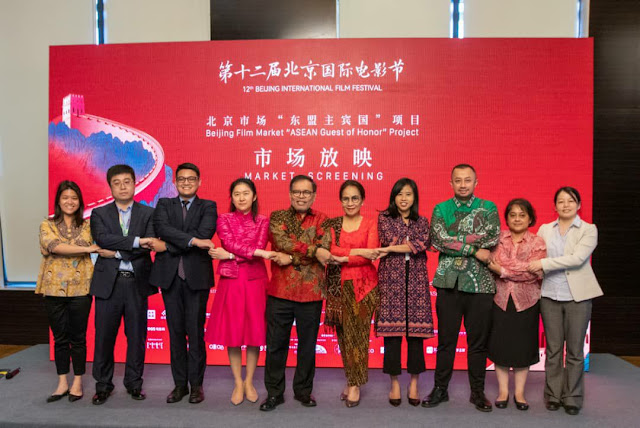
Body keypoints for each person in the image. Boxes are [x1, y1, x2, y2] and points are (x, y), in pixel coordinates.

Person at [423, 164, 500, 412]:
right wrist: (474, 250)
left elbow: (492, 237)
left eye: (468, 180)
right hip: (449, 283)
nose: (463, 184)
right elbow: (438, 241)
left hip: (480, 284)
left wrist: (454, 240)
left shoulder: (488, 208)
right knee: (446, 342)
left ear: (476, 183)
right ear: (451, 183)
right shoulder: (441, 208)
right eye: (458, 180)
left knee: (478, 343)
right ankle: (440, 389)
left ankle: (477, 392)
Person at [527, 186, 603, 416]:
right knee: (553, 349)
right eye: (561, 201)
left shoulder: (588, 229)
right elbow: (535, 255)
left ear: (578, 205)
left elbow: (577, 259)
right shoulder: (545, 229)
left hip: (577, 297)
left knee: (575, 351)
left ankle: (573, 397)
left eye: (570, 201)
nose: (566, 205)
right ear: (555, 206)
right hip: (550, 295)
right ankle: (553, 395)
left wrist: (543, 264)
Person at [259, 175, 332, 411]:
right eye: (297, 192)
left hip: (311, 293)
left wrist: (291, 258)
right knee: (275, 345)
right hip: (280, 291)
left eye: (306, 192)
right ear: (290, 194)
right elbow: (282, 242)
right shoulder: (278, 217)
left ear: (314, 196)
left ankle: (303, 391)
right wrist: (313, 251)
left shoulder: (323, 219)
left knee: (307, 346)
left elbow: (325, 249)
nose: (301, 196)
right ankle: (274, 393)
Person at [89, 164, 158, 405]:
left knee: (137, 337)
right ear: (110, 187)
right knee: (104, 337)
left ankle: (134, 383)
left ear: (134, 184)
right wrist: (137, 242)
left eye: (127, 182)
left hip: (137, 283)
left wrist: (116, 252)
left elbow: (149, 245)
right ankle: (103, 386)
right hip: (109, 284)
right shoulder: (99, 214)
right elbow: (102, 239)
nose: (122, 187)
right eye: (116, 183)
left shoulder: (148, 213)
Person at [149, 163, 217, 404]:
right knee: (175, 332)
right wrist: (193, 242)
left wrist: (168, 245)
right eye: (182, 179)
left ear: (199, 182)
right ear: (175, 182)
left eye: (191, 179)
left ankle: (196, 385)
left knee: (195, 333)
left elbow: (205, 233)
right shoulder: (164, 204)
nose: (186, 182)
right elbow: (162, 229)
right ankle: (179, 385)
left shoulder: (208, 206)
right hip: (170, 278)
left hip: (196, 278)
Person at [206, 178, 273, 405]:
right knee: (233, 333)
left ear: (254, 196)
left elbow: (259, 245)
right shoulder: (224, 219)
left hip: (255, 280)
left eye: (246, 193)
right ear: (232, 198)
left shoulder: (263, 221)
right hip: (232, 280)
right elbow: (230, 243)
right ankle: (237, 381)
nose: (241, 198)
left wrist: (230, 255)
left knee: (255, 333)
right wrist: (239, 254)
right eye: (236, 194)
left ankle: (249, 381)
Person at [36, 181, 101, 403]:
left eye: (74, 198)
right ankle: (62, 382)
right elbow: (54, 246)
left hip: (82, 288)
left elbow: (96, 243)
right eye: (65, 198)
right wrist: (87, 249)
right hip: (53, 289)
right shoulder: (47, 224)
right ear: (58, 201)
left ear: (80, 202)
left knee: (78, 337)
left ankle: (78, 382)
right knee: (60, 338)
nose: (70, 202)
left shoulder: (88, 225)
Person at [376, 178, 433, 407]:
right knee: (392, 336)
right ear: (394, 196)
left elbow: (423, 243)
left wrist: (392, 247)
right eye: (400, 194)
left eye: (408, 194)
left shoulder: (422, 221)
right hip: (391, 281)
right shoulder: (384, 218)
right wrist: (407, 243)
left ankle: (414, 383)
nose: (404, 198)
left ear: (414, 197)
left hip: (416, 281)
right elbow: (387, 239)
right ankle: (394, 384)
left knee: (416, 337)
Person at [486, 198, 546, 411]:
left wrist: (503, 270)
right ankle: (503, 392)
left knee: (523, 347)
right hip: (500, 299)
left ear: (530, 218)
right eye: (513, 215)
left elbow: (534, 272)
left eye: (522, 215)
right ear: (507, 218)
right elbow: (493, 262)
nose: (517, 219)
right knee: (500, 346)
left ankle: (519, 393)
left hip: (527, 301)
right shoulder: (498, 239)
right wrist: (521, 267)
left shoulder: (537, 242)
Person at [324, 180, 379, 408]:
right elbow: (330, 251)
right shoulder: (333, 224)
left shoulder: (370, 223)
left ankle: (356, 384)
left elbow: (371, 254)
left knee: (358, 337)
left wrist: (344, 256)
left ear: (362, 200)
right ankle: (350, 379)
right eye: (346, 198)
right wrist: (357, 251)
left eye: (354, 198)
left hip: (363, 288)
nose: (350, 203)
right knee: (344, 337)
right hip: (337, 287)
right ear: (340, 201)